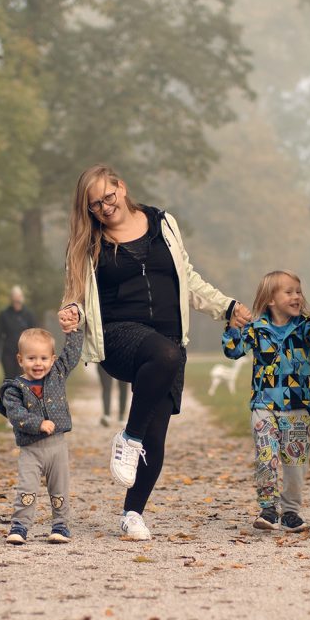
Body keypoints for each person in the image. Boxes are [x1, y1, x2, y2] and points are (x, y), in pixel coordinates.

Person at [58, 163, 251, 541]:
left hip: (168, 338)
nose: (104, 208)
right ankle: (127, 439)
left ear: (122, 188)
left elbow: (187, 278)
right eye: (94, 205)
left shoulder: (163, 224)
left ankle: (132, 512)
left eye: (108, 197)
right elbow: (79, 296)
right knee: (166, 358)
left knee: (157, 434)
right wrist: (72, 313)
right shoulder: (89, 242)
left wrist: (225, 307)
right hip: (120, 336)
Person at [221, 270, 310, 533]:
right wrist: (233, 327)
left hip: (297, 407)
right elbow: (233, 351)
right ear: (271, 299)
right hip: (264, 405)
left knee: (295, 464)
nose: (297, 296)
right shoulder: (257, 330)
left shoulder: (304, 327)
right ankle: (268, 509)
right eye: (289, 292)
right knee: (266, 456)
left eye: (298, 291)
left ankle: (291, 511)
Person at [0, 324, 82, 545]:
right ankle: (20, 526)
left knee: (59, 488)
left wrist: (74, 329)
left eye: (43, 358)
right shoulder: (14, 389)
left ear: (52, 359)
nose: (38, 363)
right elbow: (16, 415)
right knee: (27, 489)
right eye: (31, 358)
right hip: (31, 450)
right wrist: (39, 423)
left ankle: (61, 526)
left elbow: (72, 352)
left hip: (57, 448)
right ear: (20, 359)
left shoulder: (57, 375)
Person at [0, 286, 40, 378]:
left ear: (22, 298)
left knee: (23, 380)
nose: (17, 303)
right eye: (14, 300)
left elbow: (35, 336)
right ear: (11, 299)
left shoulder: (29, 315)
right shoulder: (4, 315)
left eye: (18, 299)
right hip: (8, 354)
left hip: (25, 354)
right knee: (10, 380)